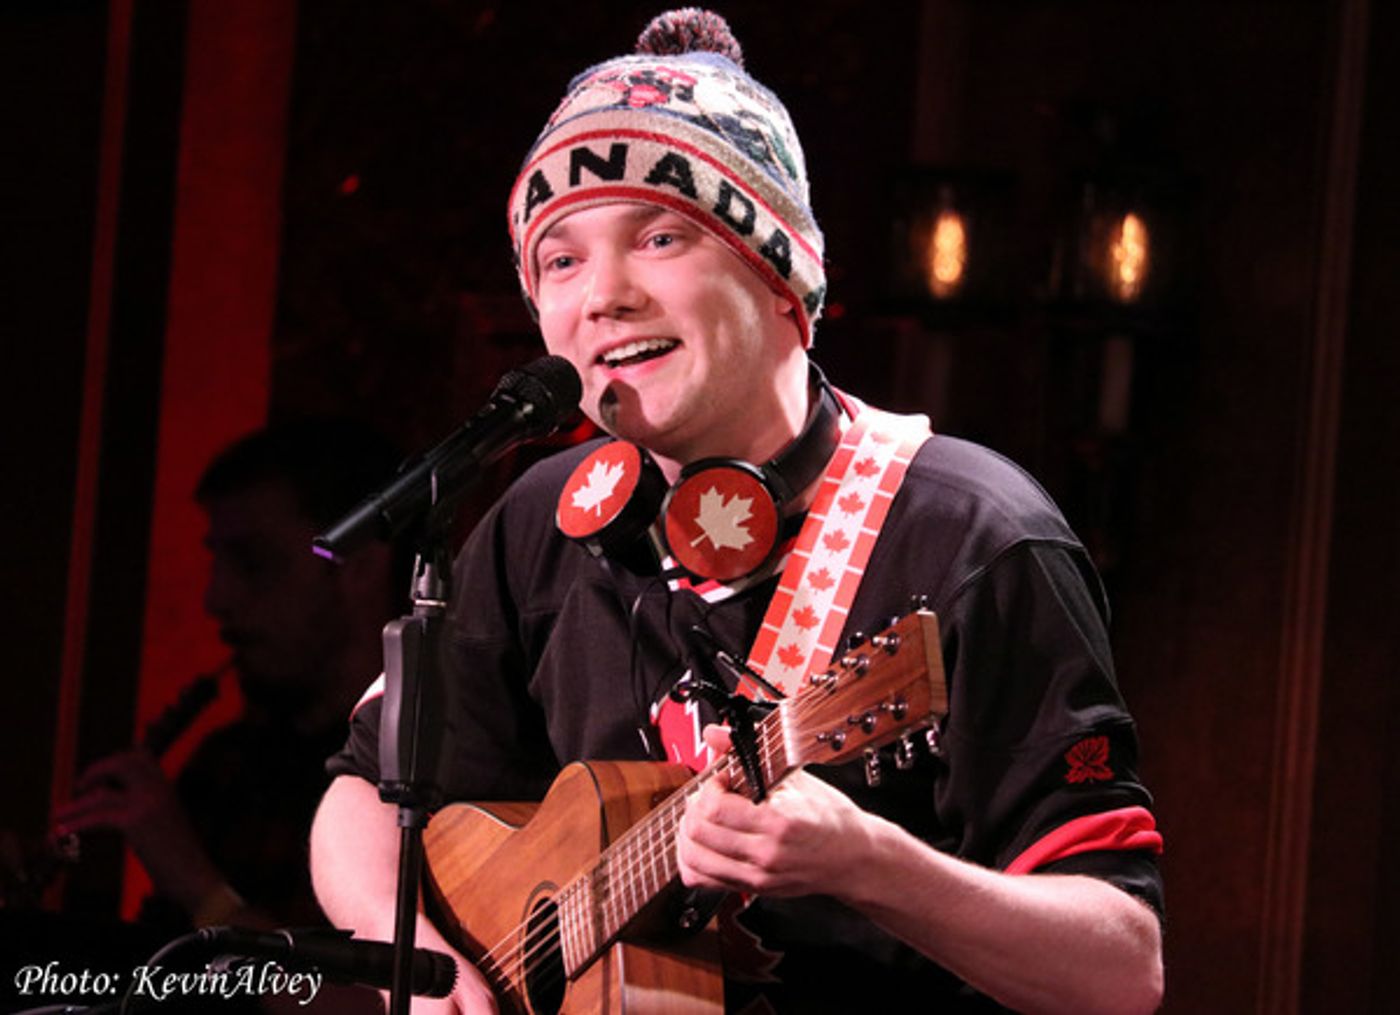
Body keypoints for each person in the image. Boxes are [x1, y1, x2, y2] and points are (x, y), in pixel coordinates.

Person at [311, 10, 1165, 1013]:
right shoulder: (543, 515)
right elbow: (361, 795)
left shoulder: (973, 534)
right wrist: (416, 958)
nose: (603, 297)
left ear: (781, 283)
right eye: (560, 261)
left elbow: (1121, 970)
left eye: (660, 236)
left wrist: (874, 864)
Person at [54, 420, 404, 947]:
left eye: (253, 563)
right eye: (217, 561)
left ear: (358, 569)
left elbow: (366, 1003)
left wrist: (201, 889)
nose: (215, 598)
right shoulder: (225, 768)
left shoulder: (424, 770)